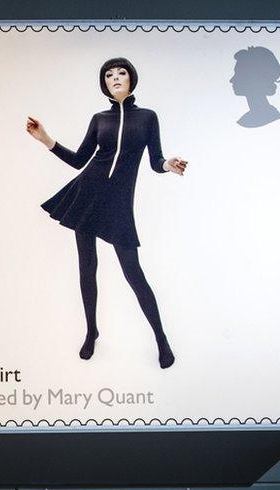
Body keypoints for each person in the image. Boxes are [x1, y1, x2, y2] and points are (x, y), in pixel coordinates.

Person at [26, 58, 187, 369]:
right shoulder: (99, 119)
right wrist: (45, 139)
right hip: (87, 195)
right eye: (109, 75)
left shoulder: (148, 118)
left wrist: (168, 165)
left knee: (134, 273)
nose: (115, 78)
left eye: (121, 73)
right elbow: (78, 161)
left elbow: (156, 160)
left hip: (118, 205)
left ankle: (161, 338)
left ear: (131, 79)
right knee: (87, 268)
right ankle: (91, 331)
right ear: (104, 83)